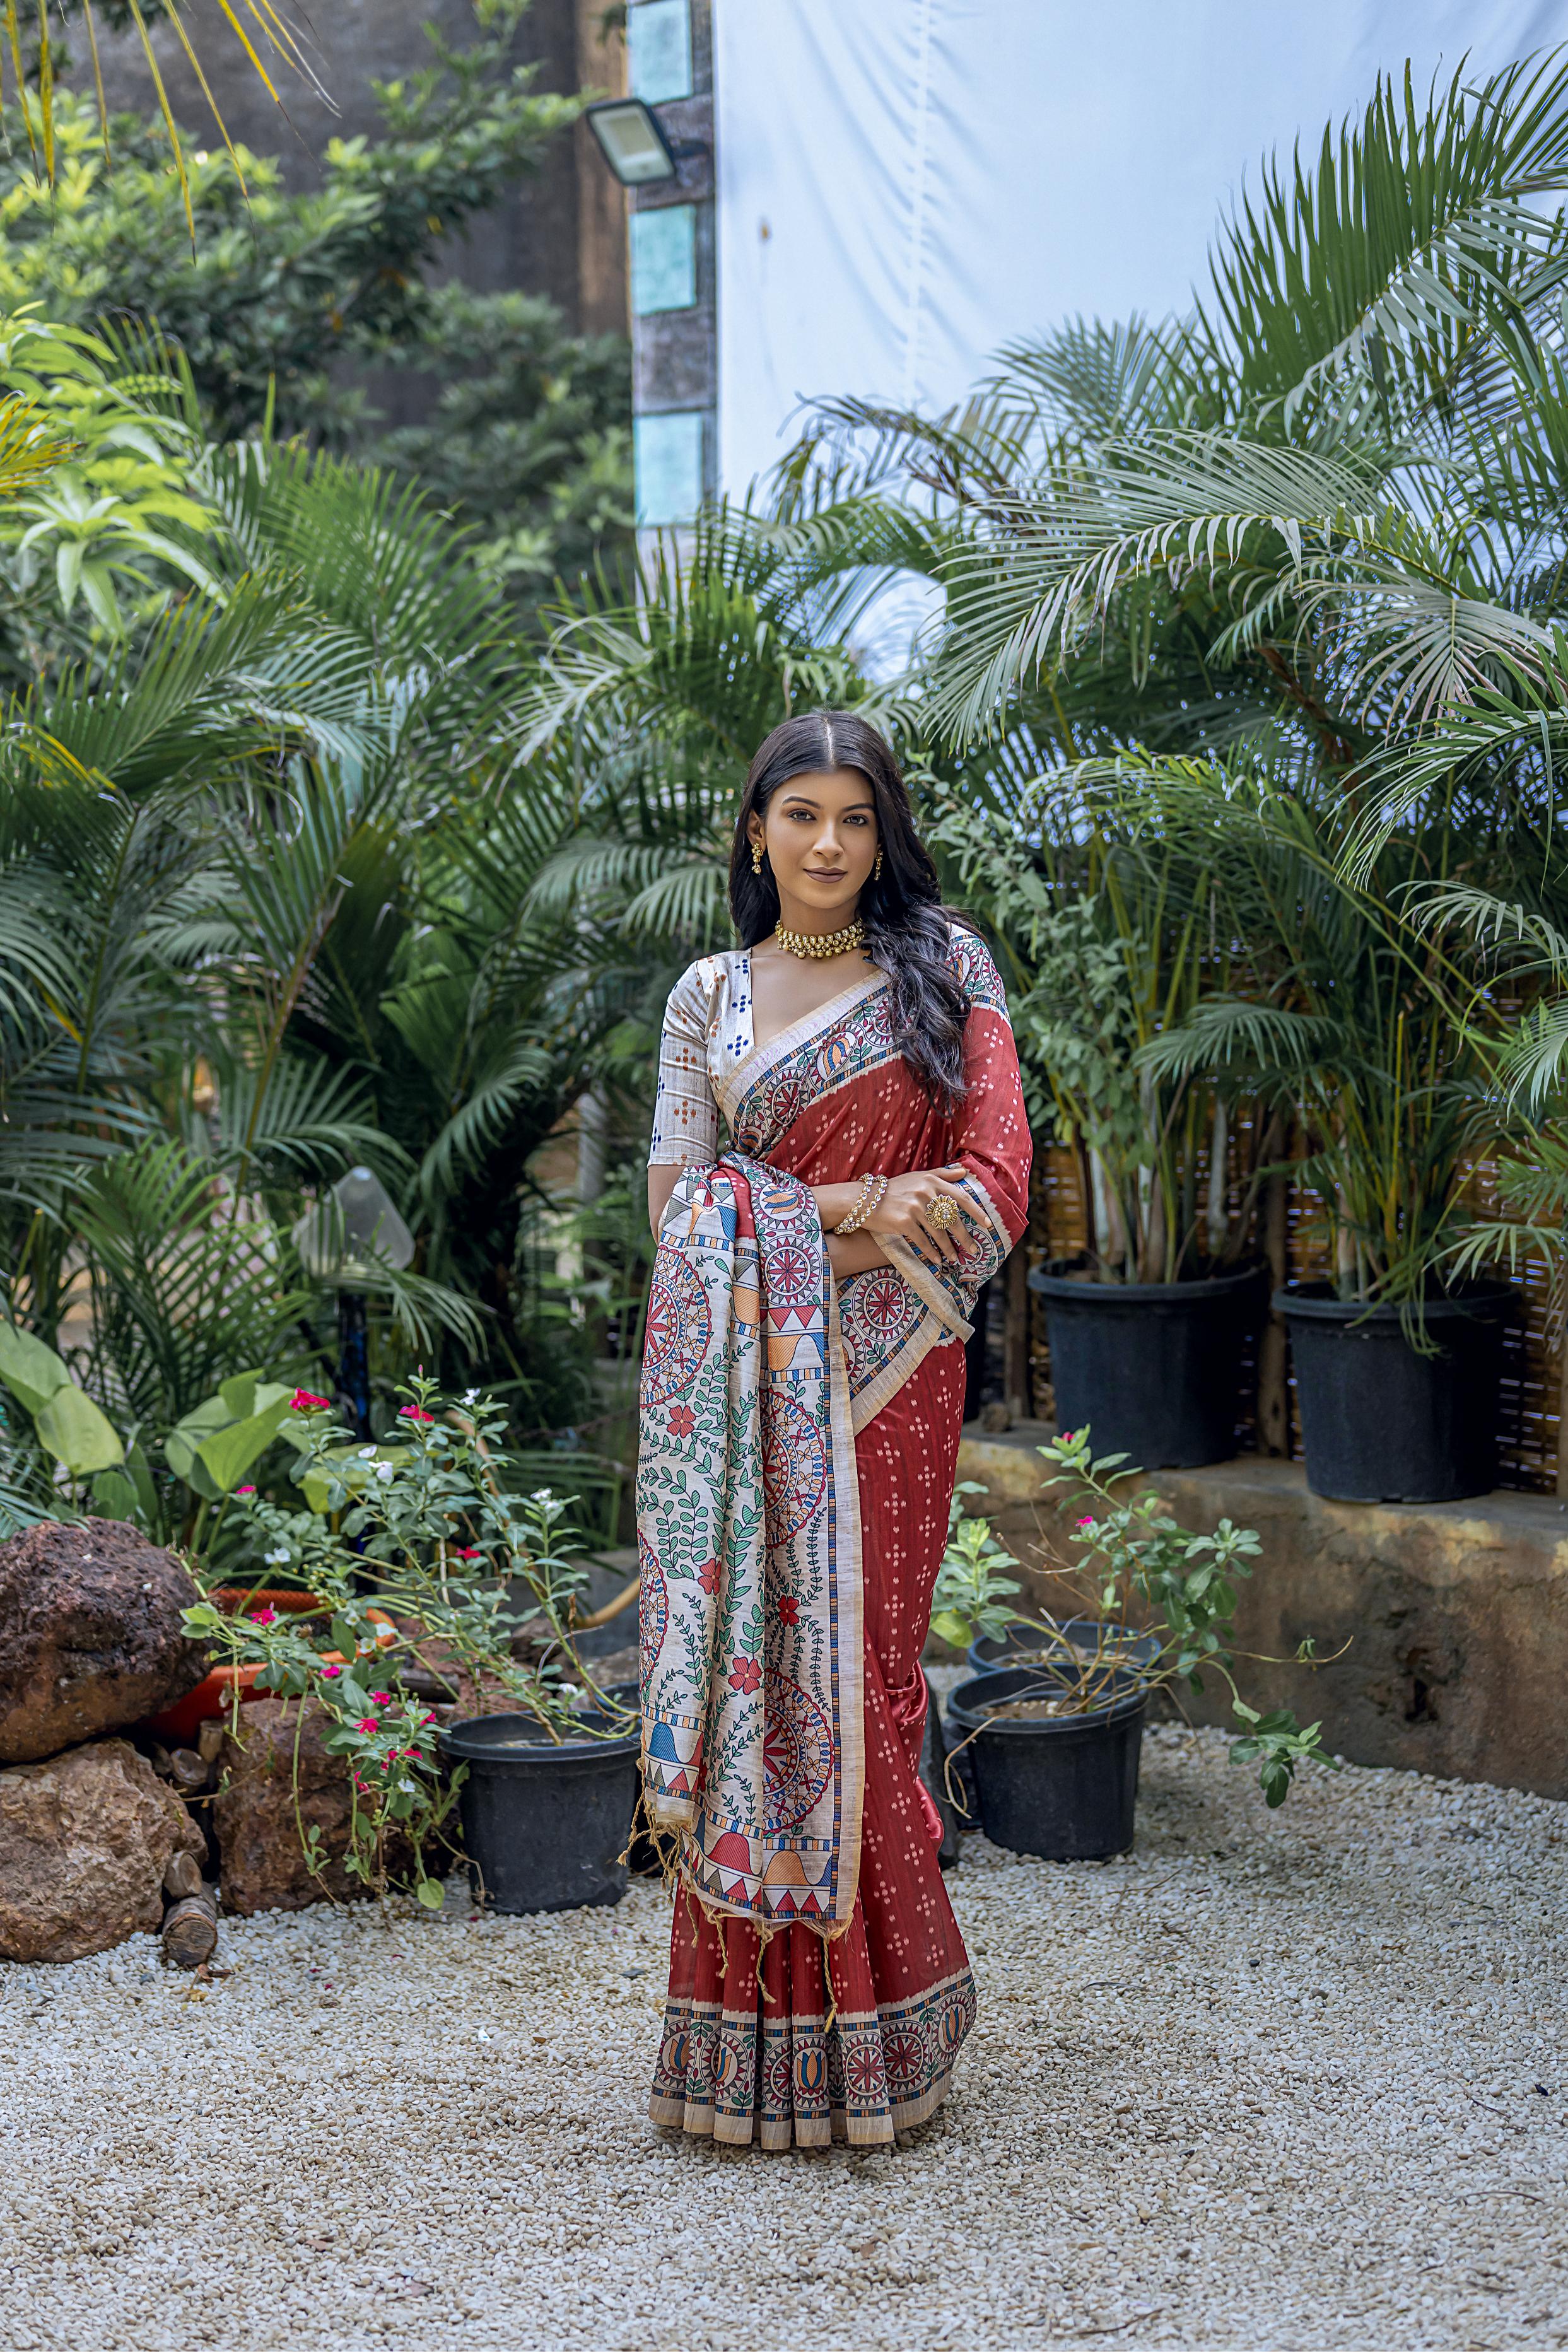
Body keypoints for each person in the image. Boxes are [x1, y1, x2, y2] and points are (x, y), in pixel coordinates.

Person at [637, 708, 1032, 2149]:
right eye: (798, 813)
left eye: (853, 819)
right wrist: (857, 1210)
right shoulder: (707, 1000)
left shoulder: (947, 969)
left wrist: (812, 1227)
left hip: (893, 1379)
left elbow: (991, 1188)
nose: (825, 842)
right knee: (764, 1685)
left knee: (860, 1684)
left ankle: (874, 2045)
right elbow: (679, 1211)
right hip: (753, 1397)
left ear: (884, 836)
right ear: (755, 831)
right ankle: (751, 2055)